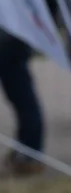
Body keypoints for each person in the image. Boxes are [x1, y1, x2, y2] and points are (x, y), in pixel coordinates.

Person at [0, 30, 43, 177]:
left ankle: (29, 155)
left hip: (9, 39)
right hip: (14, 37)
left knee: (22, 98)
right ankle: (28, 153)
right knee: (22, 97)